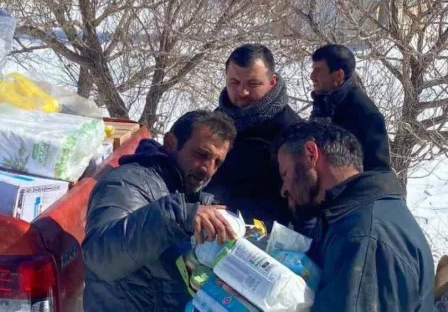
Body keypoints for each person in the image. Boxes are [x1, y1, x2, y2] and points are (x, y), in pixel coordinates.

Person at [83, 110, 237, 312]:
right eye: (202, 155)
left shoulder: (185, 191)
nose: (207, 169)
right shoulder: (128, 182)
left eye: (217, 162)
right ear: (171, 142)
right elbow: (99, 257)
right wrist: (177, 216)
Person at [275, 121, 434, 311]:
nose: (283, 189)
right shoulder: (348, 215)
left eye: (285, 174)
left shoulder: (363, 236)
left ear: (311, 154)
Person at [204, 43, 303, 230]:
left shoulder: (292, 131)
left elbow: (301, 203)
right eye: (234, 83)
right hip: (211, 225)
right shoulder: (216, 119)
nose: (242, 92)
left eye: (253, 83)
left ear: (272, 81)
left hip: (262, 238)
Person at [310, 44, 392, 172]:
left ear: (338, 75)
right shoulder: (323, 102)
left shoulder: (365, 114)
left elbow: (378, 170)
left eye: (318, 70)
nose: (312, 76)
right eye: (313, 69)